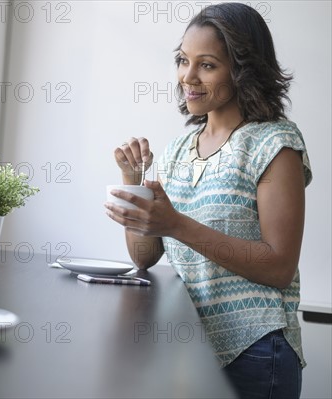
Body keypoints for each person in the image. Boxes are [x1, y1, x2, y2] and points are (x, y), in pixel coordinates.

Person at [104, 3, 312, 398]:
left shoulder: (275, 142)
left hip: (255, 352)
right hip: (191, 347)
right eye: (183, 60)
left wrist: (176, 223)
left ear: (242, 70)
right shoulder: (181, 148)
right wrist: (133, 184)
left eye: (207, 65)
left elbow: (279, 266)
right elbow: (146, 256)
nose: (188, 76)